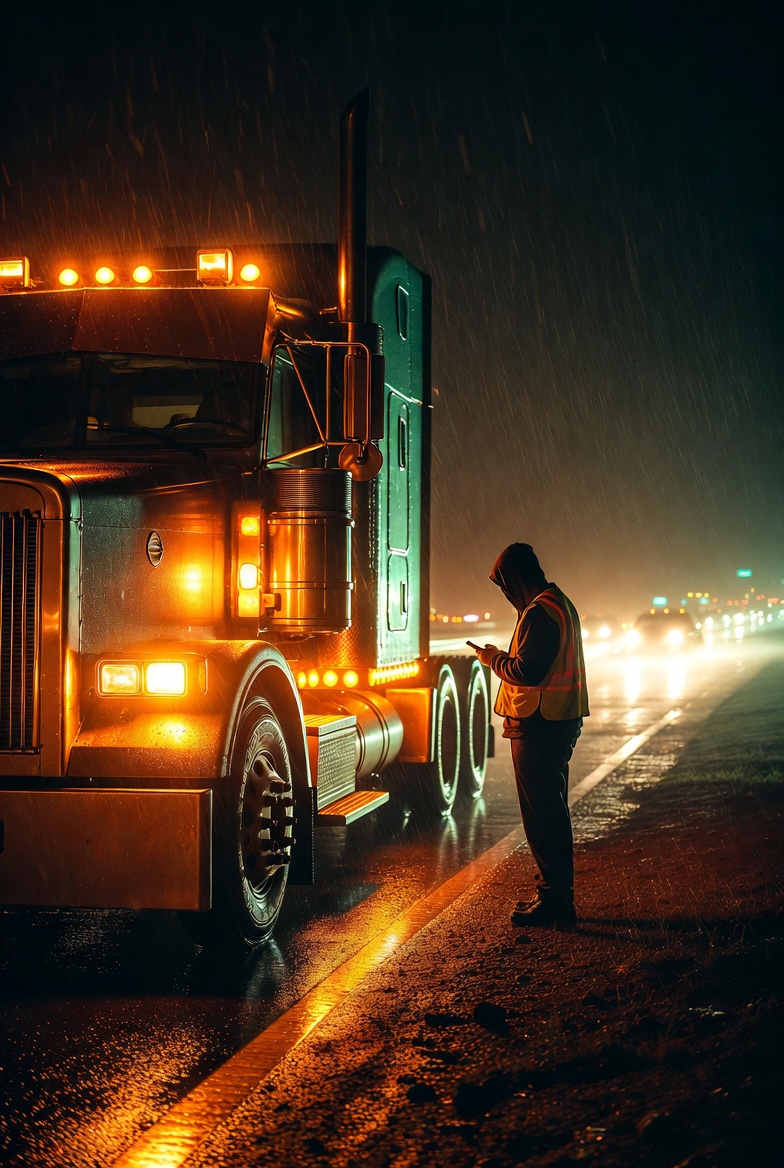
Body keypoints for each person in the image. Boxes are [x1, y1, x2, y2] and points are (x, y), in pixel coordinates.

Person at [473, 543, 589, 930]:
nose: (505, 593)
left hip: (539, 723)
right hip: (555, 720)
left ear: (516, 579)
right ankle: (558, 899)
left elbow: (527, 671)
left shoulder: (539, 612)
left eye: (505, 584)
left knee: (543, 818)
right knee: (551, 813)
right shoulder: (558, 603)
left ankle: (556, 904)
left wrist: (492, 659)